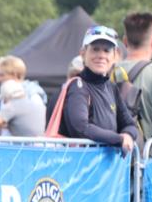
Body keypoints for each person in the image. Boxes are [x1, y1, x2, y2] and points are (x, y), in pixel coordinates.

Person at [60, 25, 139, 156]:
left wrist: (128, 135)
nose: (101, 55)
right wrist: (119, 139)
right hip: (80, 168)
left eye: (106, 50)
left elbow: (130, 124)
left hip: (107, 172)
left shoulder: (111, 87)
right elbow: (81, 128)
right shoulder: (78, 86)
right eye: (95, 49)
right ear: (83, 53)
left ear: (114, 56)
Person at [0, 55, 45, 136]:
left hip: (22, 146)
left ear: (15, 75)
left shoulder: (33, 94)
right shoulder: (7, 94)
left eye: (2, 75)